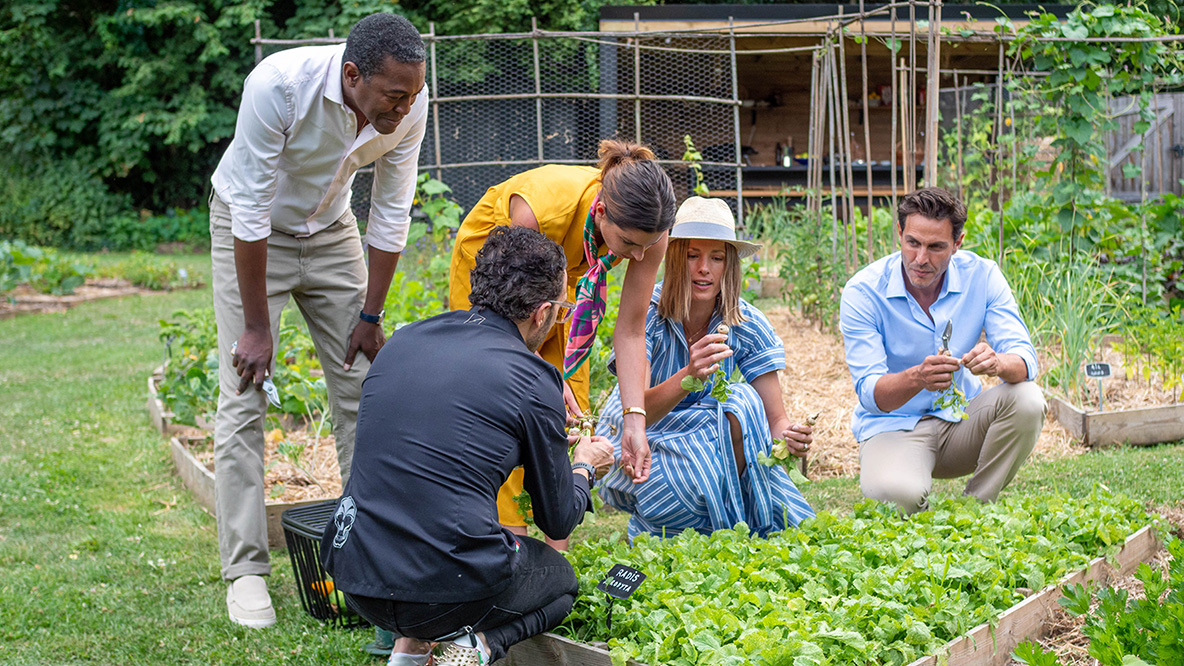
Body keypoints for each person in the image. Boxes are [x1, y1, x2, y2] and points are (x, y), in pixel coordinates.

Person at [208, 13, 428, 627]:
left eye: (413, 94)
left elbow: (390, 210)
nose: (407, 107)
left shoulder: (409, 97)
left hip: (332, 231)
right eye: (395, 96)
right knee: (245, 394)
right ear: (354, 75)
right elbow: (249, 211)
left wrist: (371, 313)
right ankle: (247, 572)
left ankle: (365, 554)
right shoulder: (278, 86)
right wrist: (257, 329)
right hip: (251, 232)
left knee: (366, 387)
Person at [321, 226, 614, 666]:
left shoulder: (403, 341)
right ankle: (478, 648)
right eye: (561, 310)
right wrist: (583, 466)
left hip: (356, 574)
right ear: (542, 312)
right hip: (445, 590)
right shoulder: (535, 379)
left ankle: (408, 654)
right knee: (560, 580)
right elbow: (557, 520)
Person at [448, 139, 677, 543]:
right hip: (498, 273)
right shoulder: (538, 211)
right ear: (602, 212)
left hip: (564, 281)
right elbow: (506, 339)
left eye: (647, 247)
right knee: (506, 403)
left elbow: (631, 330)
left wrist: (635, 421)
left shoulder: (649, 233)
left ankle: (557, 549)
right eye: (628, 246)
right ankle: (510, 543)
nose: (638, 259)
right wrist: (540, 379)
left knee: (572, 410)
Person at [597, 196, 816, 540]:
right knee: (704, 436)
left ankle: (718, 526)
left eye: (716, 258)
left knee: (742, 400)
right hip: (644, 441)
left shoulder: (744, 321)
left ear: (729, 265)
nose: (704, 269)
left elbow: (775, 421)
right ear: (674, 258)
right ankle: (676, 521)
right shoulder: (649, 317)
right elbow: (636, 413)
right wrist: (688, 376)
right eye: (693, 255)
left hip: (708, 449)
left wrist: (790, 437)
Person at [839, 187, 1046, 515]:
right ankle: (917, 508)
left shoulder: (983, 275)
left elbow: (1024, 358)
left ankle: (977, 510)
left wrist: (998, 362)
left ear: (958, 243)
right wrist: (917, 377)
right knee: (897, 498)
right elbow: (870, 394)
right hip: (892, 427)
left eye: (936, 247)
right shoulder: (863, 292)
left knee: (1028, 400)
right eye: (913, 243)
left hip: (962, 420)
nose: (921, 259)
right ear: (899, 234)